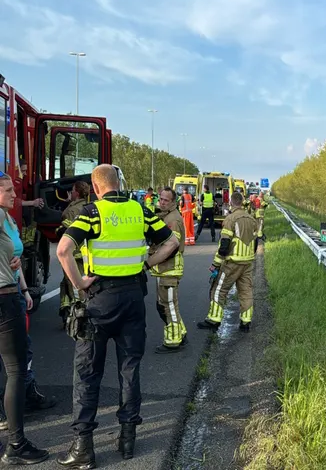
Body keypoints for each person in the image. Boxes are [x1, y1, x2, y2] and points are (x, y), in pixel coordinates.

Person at [56, 165, 178, 467]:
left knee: (87, 373)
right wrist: (147, 265)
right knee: (129, 368)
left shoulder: (92, 212)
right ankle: (127, 440)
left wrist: (80, 284)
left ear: (96, 188)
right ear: (118, 183)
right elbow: (172, 242)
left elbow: (63, 250)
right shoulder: (140, 210)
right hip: (133, 297)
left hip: (100, 300)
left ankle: (83, 447)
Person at [0, 172, 49, 464]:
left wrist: (23, 285)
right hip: (4, 301)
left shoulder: (9, 220)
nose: (13, 194)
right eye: (6, 190)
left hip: (12, 291)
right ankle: (16, 444)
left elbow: (12, 257)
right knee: (16, 370)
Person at [197, 192, 256, 333]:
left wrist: (216, 264)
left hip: (232, 261)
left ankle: (214, 320)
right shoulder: (251, 219)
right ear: (242, 202)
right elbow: (255, 240)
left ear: (231, 202)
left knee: (219, 289)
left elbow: (224, 244)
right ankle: (245, 322)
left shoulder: (230, 219)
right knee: (246, 291)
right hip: (247, 262)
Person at [150, 187, 188, 353]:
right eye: (161, 199)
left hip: (169, 269)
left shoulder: (173, 220)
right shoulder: (165, 216)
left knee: (168, 306)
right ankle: (180, 332)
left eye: (166, 200)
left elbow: (171, 247)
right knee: (164, 305)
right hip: (164, 269)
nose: (162, 202)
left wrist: (150, 261)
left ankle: (173, 341)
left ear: (173, 202)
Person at [57, 181, 90, 327]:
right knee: (76, 282)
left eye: (72, 190)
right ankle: (71, 312)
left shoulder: (73, 210)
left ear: (76, 192)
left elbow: (65, 230)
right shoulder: (88, 207)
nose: (70, 192)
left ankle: (79, 315)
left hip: (74, 253)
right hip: (84, 253)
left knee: (74, 285)